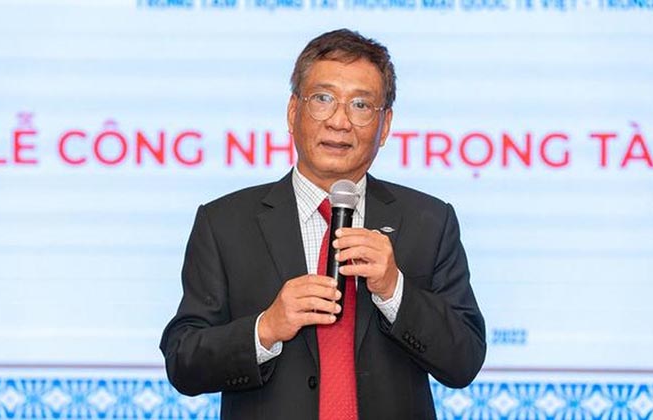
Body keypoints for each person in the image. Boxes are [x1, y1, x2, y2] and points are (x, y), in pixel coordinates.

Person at [160, 28, 486, 420]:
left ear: (385, 126)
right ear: (292, 112)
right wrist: (265, 329)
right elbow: (183, 361)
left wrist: (394, 290)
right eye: (323, 99)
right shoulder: (224, 223)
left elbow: (465, 360)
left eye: (361, 105)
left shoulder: (429, 222)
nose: (339, 121)